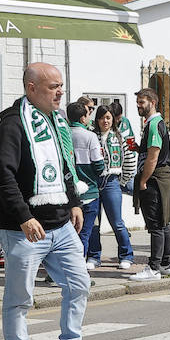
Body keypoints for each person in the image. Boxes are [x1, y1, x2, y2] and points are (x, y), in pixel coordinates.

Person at [0, 64, 101, 340]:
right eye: (53, 86)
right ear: (31, 88)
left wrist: (74, 202)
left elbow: (65, 165)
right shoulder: (12, 125)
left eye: (61, 86)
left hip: (60, 225)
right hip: (23, 227)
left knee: (79, 284)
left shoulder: (57, 123)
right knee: (19, 298)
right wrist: (24, 216)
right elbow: (3, 176)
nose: (60, 92)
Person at [131, 88, 170, 281]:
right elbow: (151, 151)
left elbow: (153, 156)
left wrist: (143, 181)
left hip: (155, 178)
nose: (139, 105)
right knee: (163, 222)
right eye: (138, 102)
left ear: (153, 102)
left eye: (142, 102)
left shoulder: (154, 124)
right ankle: (165, 264)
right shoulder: (155, 123)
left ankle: (154, 268)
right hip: (159, 177)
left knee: (156, 223)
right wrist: (139, 148)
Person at [87, 105, 135, 269]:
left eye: (108, 118)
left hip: (112, 182)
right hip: (93, 183)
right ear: (97, 119)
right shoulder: (91, 136)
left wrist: (122, 181)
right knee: (94, 223)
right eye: (102, 118)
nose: (105, 121)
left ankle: (126, 255)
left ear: (113, 119)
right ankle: (93, 256)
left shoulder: (120, 136)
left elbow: (129, 159)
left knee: (117, 222)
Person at [66, 101, 105, 268]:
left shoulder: (63, 134)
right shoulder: (90, 136)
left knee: (69, 234)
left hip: (69, 192)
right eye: (88, 115)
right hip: (89, 191)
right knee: (85, 233)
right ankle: (79, 269)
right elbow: (99, 165)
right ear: (83, 118)